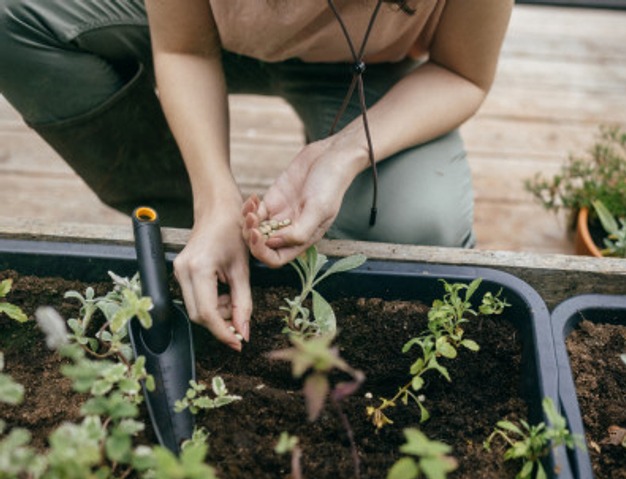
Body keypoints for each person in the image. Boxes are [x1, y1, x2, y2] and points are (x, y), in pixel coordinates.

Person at [0, 0, 514, 350]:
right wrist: (215, 201)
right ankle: (209, 235)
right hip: (203, 30)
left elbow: (463, 71)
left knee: (421, 228)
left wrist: (345, 152)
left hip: (361, 63)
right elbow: (183, 48)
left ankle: (254, 240)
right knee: (14, 18)